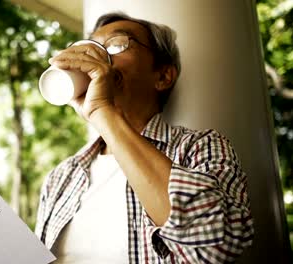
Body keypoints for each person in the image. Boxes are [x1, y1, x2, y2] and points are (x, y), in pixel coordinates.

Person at [34, 12, 254, 263]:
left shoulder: (200, 146)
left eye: (116, 44)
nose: (97, 57)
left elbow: (217, 243)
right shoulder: (61, 176)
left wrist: (102, 112)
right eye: (90, 47)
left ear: (162, 77)